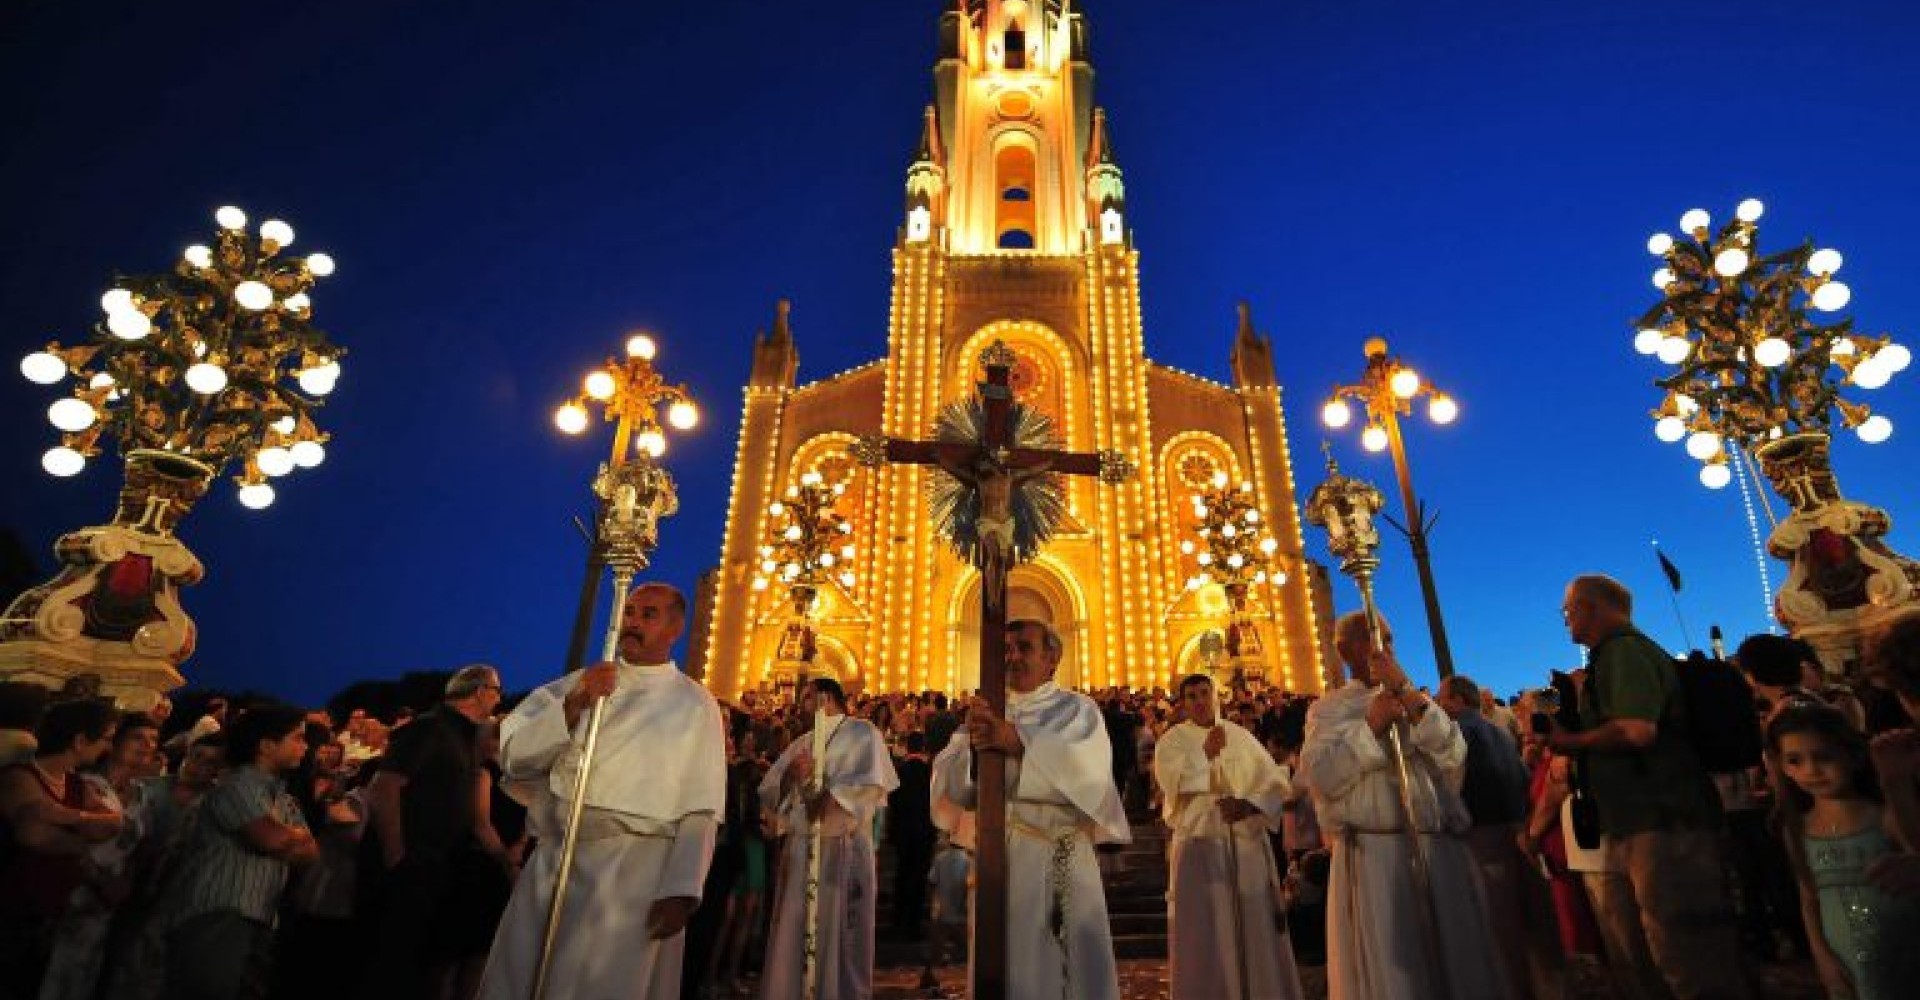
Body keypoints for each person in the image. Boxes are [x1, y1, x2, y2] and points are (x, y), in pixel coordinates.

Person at [480, 583, 726, 1000]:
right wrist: (573, 706)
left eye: (648, 614)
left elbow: (701, 806)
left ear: (675, 628)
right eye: (629, 612)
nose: (632, 622)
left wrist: (682, 888)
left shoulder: (695, 704)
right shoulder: (577, 684)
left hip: (632, 872)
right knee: (522, 976)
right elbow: (516, 757)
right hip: (556, 858)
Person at [1548, 574, 1752, 1000]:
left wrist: (1571, 742)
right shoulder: (1610, 658)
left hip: (1662, 818)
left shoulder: (1623, 653)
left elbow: (1637, 731)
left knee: (1685, 945)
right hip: (1642, 818)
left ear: (1592, 607)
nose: (1565, 619)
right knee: (1659, 944)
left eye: (1568, 610)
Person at [1299, 611, 1510, 1000]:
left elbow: (1453, 754)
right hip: (1375, 852)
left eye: (1391, 638)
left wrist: (1410, 698)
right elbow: (1321, 776)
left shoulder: (1418, 700)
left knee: (1454, 964)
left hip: (1435, 847)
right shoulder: (1328, 710)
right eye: (1373, 637)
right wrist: (1370, 729)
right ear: (1345, 651)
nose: (1386, 648)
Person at [933, 619, 1129, 1000]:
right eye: (1006, 649)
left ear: (1052, 658)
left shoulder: (1077, 709)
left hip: (1060, 854)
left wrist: (1019, 741)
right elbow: (953, 790)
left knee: (1066, 968)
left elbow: (1088, 775)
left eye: (1024, 648)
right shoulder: (986, 711)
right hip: (998, 858)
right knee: (1005, 967)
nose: (1012, 657)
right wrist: (973, 751)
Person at [1152, 674, 1304, 1000]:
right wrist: (1204, 755)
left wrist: (1250, 805)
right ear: (1182, 702)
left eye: (1204, 693)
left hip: (1246, 848)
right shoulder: (1172, 741)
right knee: (1205, 937)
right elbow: (1170, 782)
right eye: (1191, 696)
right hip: (1199, 846)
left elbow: (1276, 783)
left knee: (1254, 935)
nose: (1199, 701)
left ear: (1214, 695)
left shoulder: (1240, 736)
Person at [359, 663, 502, 998]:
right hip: (410, 870)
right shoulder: (430, 728)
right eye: (496, 691)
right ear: (480, 691)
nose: (498, 700)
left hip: (434, 872)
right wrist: (397, 857)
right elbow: (384, 787)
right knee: (389, 969)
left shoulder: (462, 737)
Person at [162, 704, 319, 1000]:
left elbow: (310, 853)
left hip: (259, 915)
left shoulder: (282, 798)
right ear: (267, 745)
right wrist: (289, 836)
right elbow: (269, 839)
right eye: (297, 737)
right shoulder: (236, 786)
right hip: (218, 913)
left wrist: (287, 837)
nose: (305, 746)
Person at [757, 677, 899, 1000]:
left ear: (827, 698)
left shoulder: (863, 733)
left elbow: (866, 786)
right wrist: (792, 778)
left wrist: (822, 794)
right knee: (794, 936)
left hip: (842, 848)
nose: (801, 704)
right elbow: (770, 796)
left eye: (807, 697)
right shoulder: (800, 743)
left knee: (841, 942)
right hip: (802, 849)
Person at [1767, 702, 1920, 999]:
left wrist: (1896, 784)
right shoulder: (1798, 829)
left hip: (1903, 950)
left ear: (1851, 755)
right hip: (1845, 956)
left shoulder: (1883, 816)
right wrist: (1823, 960)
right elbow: (1809, 899)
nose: (1811, 770)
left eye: (1823, 756)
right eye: (1795, 760)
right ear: (1782, 766)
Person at [1436, 674, 1563, 999]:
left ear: (1459, 701)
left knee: (1501, 930)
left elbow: (1449, 788)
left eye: (1443, 697)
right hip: (1517, 832)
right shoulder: (1498, 732)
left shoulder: (1459, 734)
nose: (1438, 703)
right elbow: (1522, 777)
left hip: (1485, 837)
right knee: (1533, 926)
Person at [0, 697, 123, 998]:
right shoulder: (18, 776)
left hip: (53, 911)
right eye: (105, 739)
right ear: (80, 740)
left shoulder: (77, 785)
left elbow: (114, 823)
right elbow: (34, 835)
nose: (107, 749)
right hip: (11, 908)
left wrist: (60, 815)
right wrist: (83, 833)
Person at [40, 713, 158, 1000]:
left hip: (107, 905)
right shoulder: (84, 784)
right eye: (137, 737)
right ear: (114, 742)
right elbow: (64, 840)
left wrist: (126, 881)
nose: (147, 746)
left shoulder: (143, 794)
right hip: (71, 892)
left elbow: (139, 846)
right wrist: (99, 879)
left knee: (82, 977)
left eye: (153, 740)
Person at [888, 731, 936, 939]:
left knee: (902, 875)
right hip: (924, 831)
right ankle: (914, 924)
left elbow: (893, 804)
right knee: (919, 877)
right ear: (924, 748)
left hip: (903, 832)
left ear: (907, 748)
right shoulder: (929, 773)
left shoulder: (899, 771)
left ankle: (899, 921)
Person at [921, 833, 970, 991]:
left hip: (942, 912)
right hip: (961, 913)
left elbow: (931, 882)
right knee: (969, 949)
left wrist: (933, 904)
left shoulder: (940, 858)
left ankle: (928, 977)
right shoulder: (968, 861)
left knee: (936, 950)